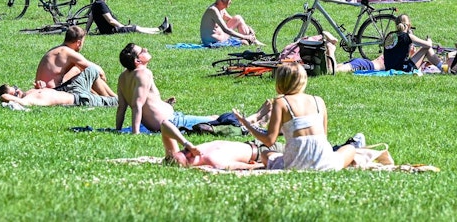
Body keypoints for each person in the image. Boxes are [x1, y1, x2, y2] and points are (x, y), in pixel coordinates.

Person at [232, 63, 362, 171]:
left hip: (295, 164)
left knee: (265, 154)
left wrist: (247, 124)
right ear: (304, 80)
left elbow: (269, 140)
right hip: (324, 162)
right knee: (350, 149)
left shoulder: (281, 102)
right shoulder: (319, 101)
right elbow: (323, 137)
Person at [116, 43, 219, 135]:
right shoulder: (143, 73)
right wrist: (136, 132)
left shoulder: (123, 77)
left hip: (166, 120)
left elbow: (122, 107)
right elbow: (137, 104)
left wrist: (118, 129)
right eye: (142, 51)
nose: (146, 49)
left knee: (212, 118)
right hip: (171, 122)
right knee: (217, 119)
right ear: (137, 60)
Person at [34, 26, 117, 102]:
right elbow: (98, 71)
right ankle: (110, 99)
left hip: (44, 89)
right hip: (54, 91)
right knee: (92, 71)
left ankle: (112, 97)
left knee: (77, 69)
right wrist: (101, 78)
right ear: (79, 43)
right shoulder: (68, 52)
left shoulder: (56, 50)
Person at [90, 0, 171, 35]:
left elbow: (91, 17)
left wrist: (86, 31)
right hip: (111, 30)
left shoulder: (95, 4)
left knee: (135, 27)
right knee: (135, 28)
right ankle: (159, 33)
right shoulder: (100, 4)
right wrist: (122, 27)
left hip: (107, 30)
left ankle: (159, 29)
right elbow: (110, 21)